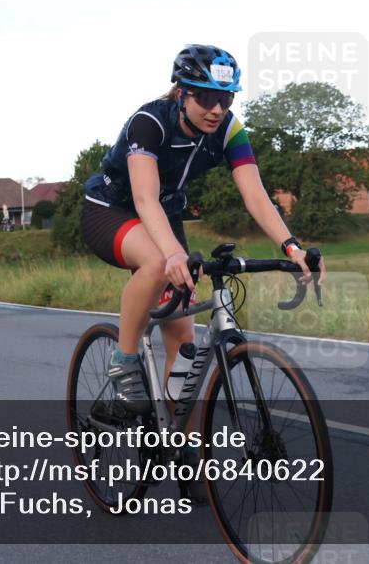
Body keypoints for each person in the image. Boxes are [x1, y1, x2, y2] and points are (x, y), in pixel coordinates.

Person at [80, 44, 325, 497]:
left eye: (226, 98)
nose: (217, 109)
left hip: (163, 219)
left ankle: (180, 445)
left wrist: (290, 246)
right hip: (112, 209)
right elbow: (144, 199)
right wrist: (173, 255)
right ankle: (124, 364)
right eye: (206, 98)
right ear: (182, 92)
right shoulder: (149, 122)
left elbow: (255, 195)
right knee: (157, 264)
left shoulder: (229, 129)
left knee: (186, 343)